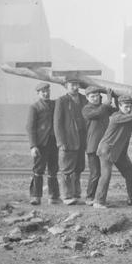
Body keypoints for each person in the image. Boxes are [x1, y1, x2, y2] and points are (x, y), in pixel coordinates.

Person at [93, 92, 132, 208]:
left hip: (119, 152)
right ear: (119, 106)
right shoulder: (117, 117)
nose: (129, 108)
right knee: (106, 175)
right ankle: (98, 201)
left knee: (130, 172)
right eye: (126, 106)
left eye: (130, 106)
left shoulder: (129, 117)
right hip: (107, 150)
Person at [53, 77, 87, 205]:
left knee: (78, 168)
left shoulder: (84, 99)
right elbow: (57, 123)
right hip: (68, 140)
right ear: (66, 86)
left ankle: (76, 194)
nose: (75, 87)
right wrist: (61, 142)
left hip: (82, 139)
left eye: (76, 84)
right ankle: (66, 196)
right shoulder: (61, 101)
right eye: (72, 85)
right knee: (66, 169)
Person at [26, 82, 60, 205]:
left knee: (53, 169)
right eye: (43, 92)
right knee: (38, 170)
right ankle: (36, 196)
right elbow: (30, 127)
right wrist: (33, 146)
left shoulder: (54, 104)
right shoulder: (34, 107)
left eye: (47, 91)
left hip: (54, 142)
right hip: (41, 143)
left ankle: (54, 197)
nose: (46, 93)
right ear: (38, 93)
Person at [81, 86, 116, 205]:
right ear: (87, 98)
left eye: (97, 96)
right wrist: (108, 100)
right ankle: (89, 198)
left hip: (104, 146)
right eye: (92, 96)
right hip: (93, 146)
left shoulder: (103, 108)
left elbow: (115, 111)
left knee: (102, 174)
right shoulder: (86, 109)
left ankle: (96, 197)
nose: (95, 98)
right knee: (95, 173)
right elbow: (98, 112)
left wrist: (114, 98)